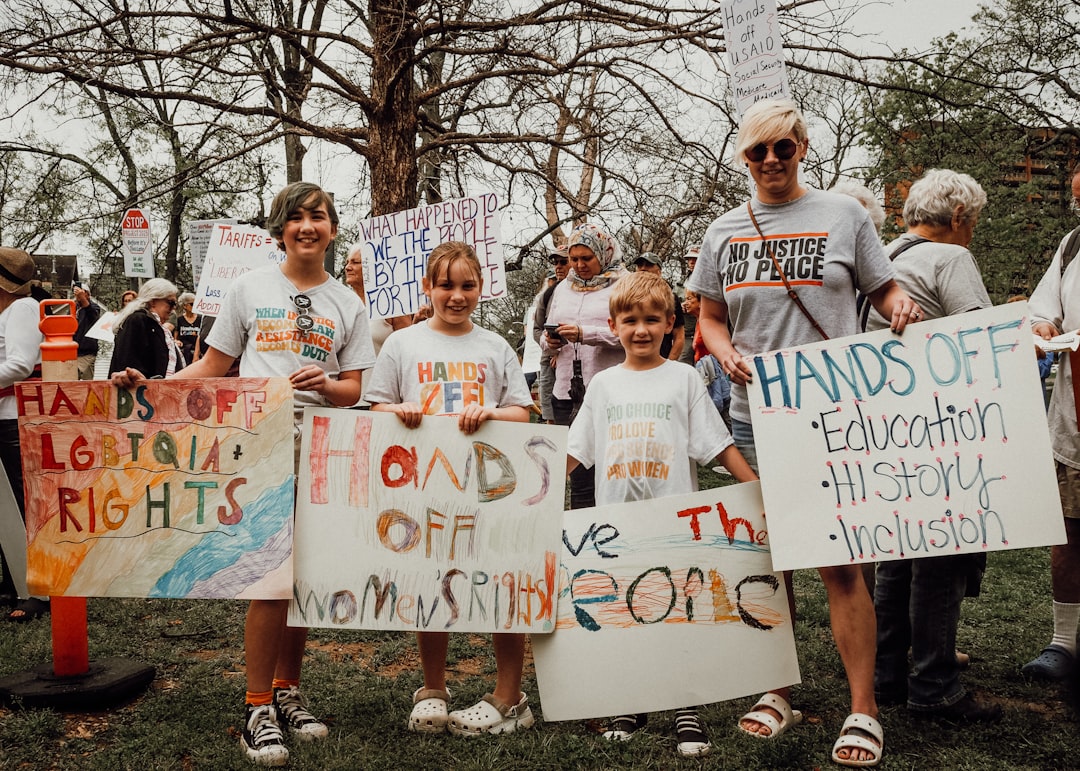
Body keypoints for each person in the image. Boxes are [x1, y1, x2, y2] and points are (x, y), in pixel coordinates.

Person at [687, 97, 923, 768]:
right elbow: (707, 315)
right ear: (743, 157)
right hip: (755, 415)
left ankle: (862, 706)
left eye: (782, 149)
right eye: (757, 151)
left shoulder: (844, 215)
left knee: (841, 564)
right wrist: (720, 346)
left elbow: (883, 290)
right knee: (771, 563)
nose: (770, 161)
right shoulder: (725, 229)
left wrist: (898, 304)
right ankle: (776, 688)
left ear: (802, 148)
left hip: (833, 414)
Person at [113, 182, 374, 766]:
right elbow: (212, 365)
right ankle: (256, 705)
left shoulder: (348, 304)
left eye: (320, 217)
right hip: (258, 442)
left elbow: (354, 389)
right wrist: (150, 388)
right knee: (268, 576)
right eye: (298, 217)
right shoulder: (249, 287)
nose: (309, 226)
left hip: (325, 450)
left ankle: (288, 692)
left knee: (302, 578)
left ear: (333, 229)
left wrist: (326, 384)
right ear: (280, 228)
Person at [566, 270, 757, 757]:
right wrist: (531, 496)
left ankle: (684, 706)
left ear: (671, 322)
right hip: (617, 525)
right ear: (613, 325)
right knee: (629, 610)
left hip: (675, 523)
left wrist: (755, 487)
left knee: (677, 610)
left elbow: (716, 446)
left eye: (653, 319)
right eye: (630, 320)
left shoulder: (685, 378)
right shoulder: (604, 385)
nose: (641, 330)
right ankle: (632, 700)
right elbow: (575, 451)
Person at [363, 241, 536, 738]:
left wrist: (491, 413)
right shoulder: (402, 345)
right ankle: (433, 689)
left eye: (467, 286)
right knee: (429, 577)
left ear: (481, 287)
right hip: (425, 485)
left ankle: (509, 693)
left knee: (502, 577)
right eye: (446, 285)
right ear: (427, 288)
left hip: (486, 485)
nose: (456, 296)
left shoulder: (495, 345)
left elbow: (522, 412)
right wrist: (400, 410)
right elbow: (376, 408)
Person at [864, 169, 1001, 723]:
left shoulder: (883, 258)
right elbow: (979, 337)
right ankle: (935, 685)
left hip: (877, 426)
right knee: (940, 555)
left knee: (896, 551)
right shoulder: (950, 259)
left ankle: (888, 674)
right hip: (935, 427)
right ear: (961, 219)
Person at [1023, 167, 1080, 683]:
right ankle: (1064, 643)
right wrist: (1045, 325)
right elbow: (1046, 308)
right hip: (1074, 417)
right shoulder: (1072, 244)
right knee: (1069, 529)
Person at [541, 224, 627, 508]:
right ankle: (581, 543)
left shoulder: (625, 284)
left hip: (610, 392)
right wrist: (549, 342)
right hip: (568, 391)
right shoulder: (563, 288)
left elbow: (632, 334)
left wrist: (585, 334)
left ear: (603, 253)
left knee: (610, 470)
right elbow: (544, 332)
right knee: (577, 476)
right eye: (574, 259)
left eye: (586, 258)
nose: (579, 265)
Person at [0, 248, 48, 621]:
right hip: (5, 415)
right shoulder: (10, 310)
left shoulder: (22, 309)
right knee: (7, 507)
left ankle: (38, 591)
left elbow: (19, 364)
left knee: (22, 504)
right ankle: (14, 582)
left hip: (15, 418)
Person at [342, 242, 413, 358]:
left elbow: (408, 349)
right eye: (347, 262)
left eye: (355, 262)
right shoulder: (344, 304)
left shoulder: (393, 305)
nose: (347, 267)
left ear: (371, 267)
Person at [108, 279, 180, 379]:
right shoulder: (137, 321)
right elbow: (127, 364)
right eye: (171, 303)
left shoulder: (153, 325)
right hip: (140, 391)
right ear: (153, 301)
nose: (173, 308)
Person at [533, 245, 570, 423]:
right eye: (556, 262)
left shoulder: (588, 293)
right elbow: (536, 329)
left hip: (574, 363)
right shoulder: (547, 295)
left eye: (564, 262)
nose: (558, 266)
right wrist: (552, 349)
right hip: (548, 360)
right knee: (550, 416)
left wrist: (563, 353)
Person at [629, 251, 684, 360]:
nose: (643, 268)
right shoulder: (626, 297)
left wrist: (669, 365)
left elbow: (679, 336)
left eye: (649, 265)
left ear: (659, 272)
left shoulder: (670, 298)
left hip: (661, 361)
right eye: (640, 265)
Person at [72, 281, 102, 380]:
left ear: (87, 294)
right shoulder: (73, 308)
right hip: (73, 352)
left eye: (81, 292)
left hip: (87, 353)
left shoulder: (94, 307)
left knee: (87, 384)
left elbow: (92, 314)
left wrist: (83, 299)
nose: (77, 295)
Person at [678, 247, 700, 365]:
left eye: (695, 259)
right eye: (689, 259)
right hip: (685, 332)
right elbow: (671, 302)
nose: (691, 262)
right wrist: (678, 306)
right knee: (683, 363)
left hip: (703, 329)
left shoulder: (708, 279)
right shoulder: (681, 282)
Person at [174, 292, 201, 365]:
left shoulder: (200, 319)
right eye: (192, 304)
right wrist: (177, 341)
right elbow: (175, 338)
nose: (195, 306)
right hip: (185, 352)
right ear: (185, 306)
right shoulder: (179, 320)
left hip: (198, 352)